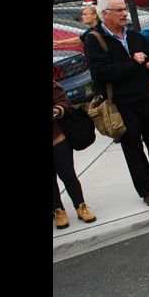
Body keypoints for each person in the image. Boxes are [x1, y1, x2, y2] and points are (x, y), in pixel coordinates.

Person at [84, 0, 149, 208]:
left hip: (144, 98)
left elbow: (142, 66)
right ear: (104, 13)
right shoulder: (95, 40)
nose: (124, 13)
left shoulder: (136, 37)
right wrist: (133, 63)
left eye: (124, 9)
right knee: (133, 149)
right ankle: (146, 191)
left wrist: (148, 66)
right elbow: (100, 72)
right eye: (119, 10)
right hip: (120, 103)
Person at [53, 81, 97, 229]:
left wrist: (57, 110)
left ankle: (80, 206)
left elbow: (63, 100)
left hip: (57, 138)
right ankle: (58, 211)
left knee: (68, 175)